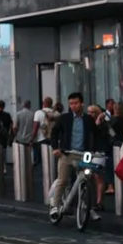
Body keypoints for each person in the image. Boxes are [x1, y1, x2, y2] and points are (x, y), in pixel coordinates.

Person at [47, 93, 110, 221]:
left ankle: (88, 208)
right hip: (67, 153)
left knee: (87, 181)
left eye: (76, 103)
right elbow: (54, 132)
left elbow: (97, 134)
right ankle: (55, 206)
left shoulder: (88, 119)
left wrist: (98, 150)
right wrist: (55, 148)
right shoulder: (65, 118)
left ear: (82, 104)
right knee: (63, 180)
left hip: (83, 154)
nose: (73, 106)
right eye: (71, 104)